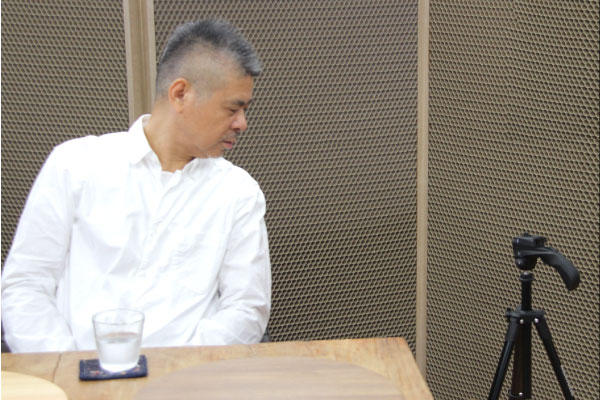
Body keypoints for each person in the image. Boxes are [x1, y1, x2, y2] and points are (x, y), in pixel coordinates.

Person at [1, 19, 271, 352]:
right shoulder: (75, 165)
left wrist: (180, 369)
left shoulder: (238, 192)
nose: (242, 123)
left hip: (189, 373)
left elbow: (246, 309)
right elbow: (25, 286)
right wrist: (69, 367)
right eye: (233, 108)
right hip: (72, 371)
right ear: (180, 94)